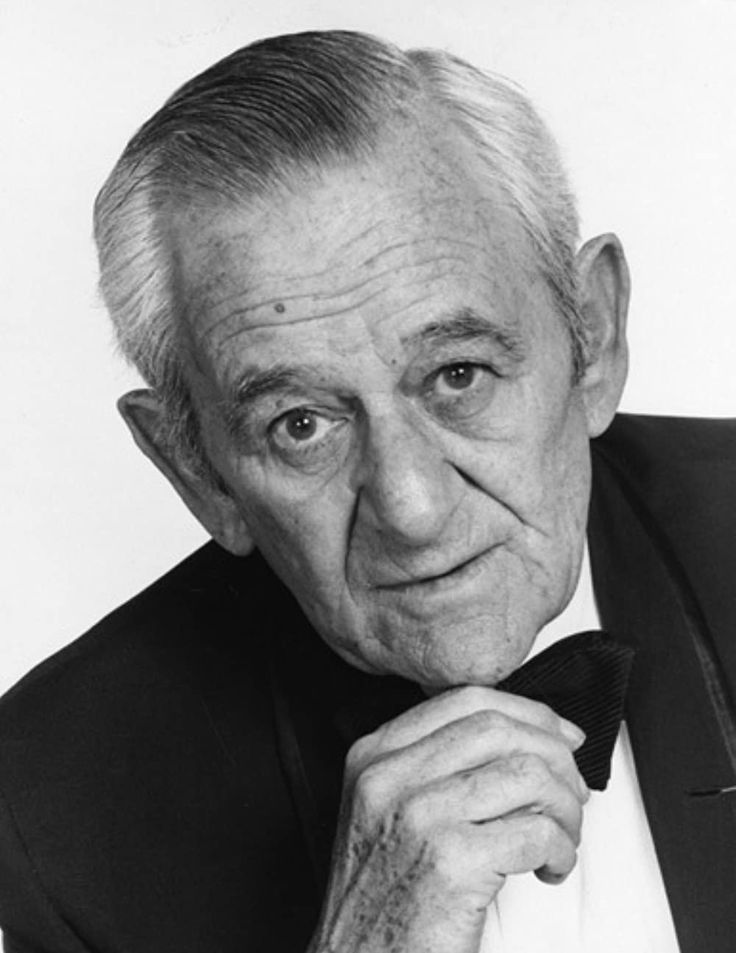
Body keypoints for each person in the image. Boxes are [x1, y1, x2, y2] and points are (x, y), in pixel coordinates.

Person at [0, 29, 734, 953]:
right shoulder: (54, 807)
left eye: (459, 374)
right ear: (197, 471)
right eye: (301, 424)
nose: (414, 509)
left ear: (592, 338)